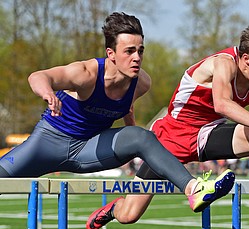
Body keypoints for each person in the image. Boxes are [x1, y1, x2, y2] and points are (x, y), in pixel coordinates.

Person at [87, 23, 249, 229]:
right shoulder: (223, 64)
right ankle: (112, 209)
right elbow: (222, 104)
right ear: (247, 58)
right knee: (129, 215)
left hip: (206, 135)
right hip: (167, 142)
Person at [0, 12, 235, 215]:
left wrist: (140, 142)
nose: (137, 58)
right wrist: (48, 94)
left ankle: (194, 189)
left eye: (140, 51)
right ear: (111, 53)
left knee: (140, 135)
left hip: (88, 150)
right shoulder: (85, 74)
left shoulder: (141, 83)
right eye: (129, 51)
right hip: (47, 145)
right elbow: (38, 77)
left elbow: (127, 110)